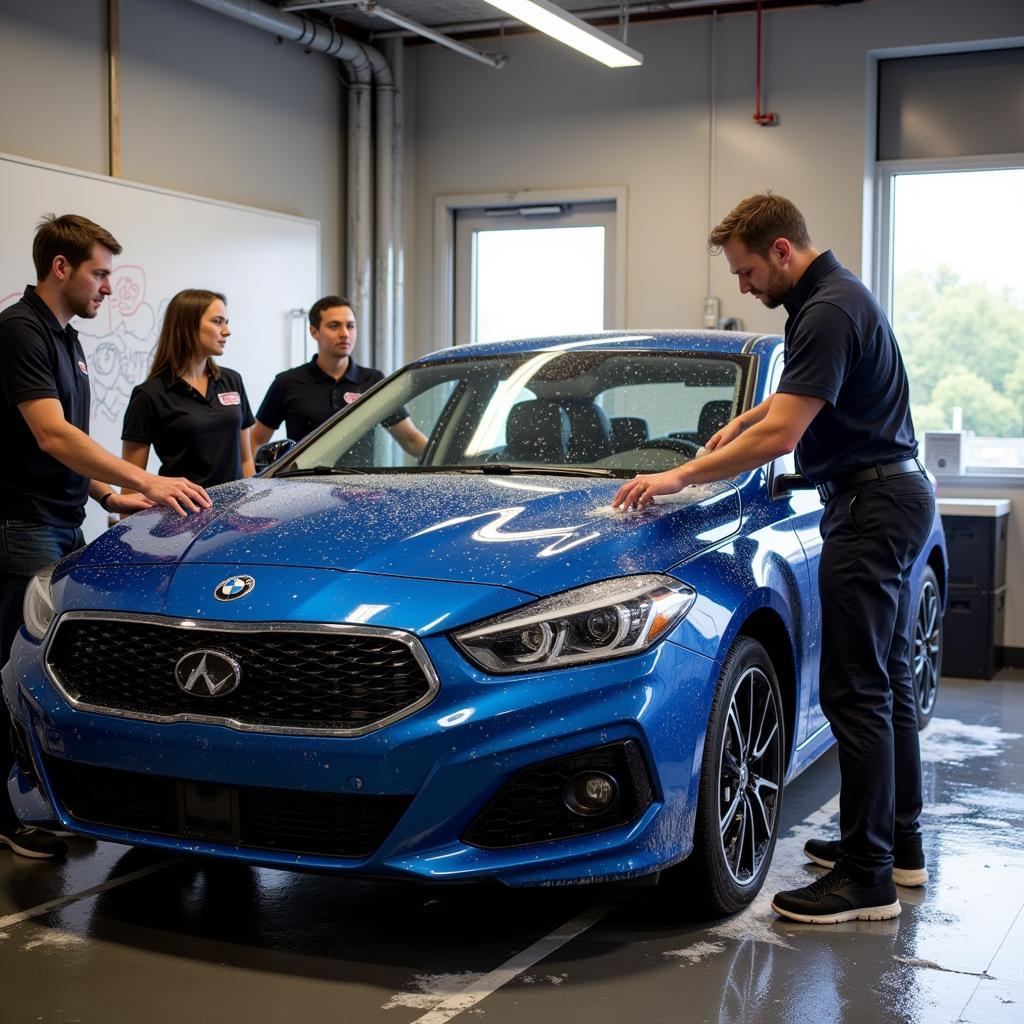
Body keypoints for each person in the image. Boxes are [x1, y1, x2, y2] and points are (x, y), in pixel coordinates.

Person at [612, 193, 934, 925]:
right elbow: (780, 405)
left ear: (783, 251)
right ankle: (896, 847)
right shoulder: (835, 299)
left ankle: (866, 879)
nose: (745, 287)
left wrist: (678, 476)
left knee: (857, 695)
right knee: (887, 690)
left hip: (869, 506)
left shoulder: (825, 310)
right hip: (892, 497)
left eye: (749, 270)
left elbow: (785, 433)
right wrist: (728, 431)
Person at [0, 214, 211, 859]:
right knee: (13, 670)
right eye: (99, 273)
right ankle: (9, 813)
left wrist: (106, 494)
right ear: (60, 268)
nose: (107, 288)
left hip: (64, 519)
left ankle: (46, 798)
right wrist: (145, 482)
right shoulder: (19, 331)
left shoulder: (67, 337)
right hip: (23, 524)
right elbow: (50, 434)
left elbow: (68, 449)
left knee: (57, 667)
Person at [250, 296, 427, 458]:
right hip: (304, 489)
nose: (345, 334)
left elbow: (410, 439)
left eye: (350, 326)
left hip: (360, 489)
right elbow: (255, 441)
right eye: (334, 326)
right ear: (314, 332)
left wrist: (449, 461)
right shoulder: (287, 383)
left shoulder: (373, 381)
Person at [120, 290, 256, 495]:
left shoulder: (232, 381)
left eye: (226, 321)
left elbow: (246, 459)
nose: (227, 331)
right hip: (183, 518)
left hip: (234, 515)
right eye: (218, 322)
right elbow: (131, 482)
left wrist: (252, 507)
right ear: (188, 326)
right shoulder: (149, 394)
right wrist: (127, 525)